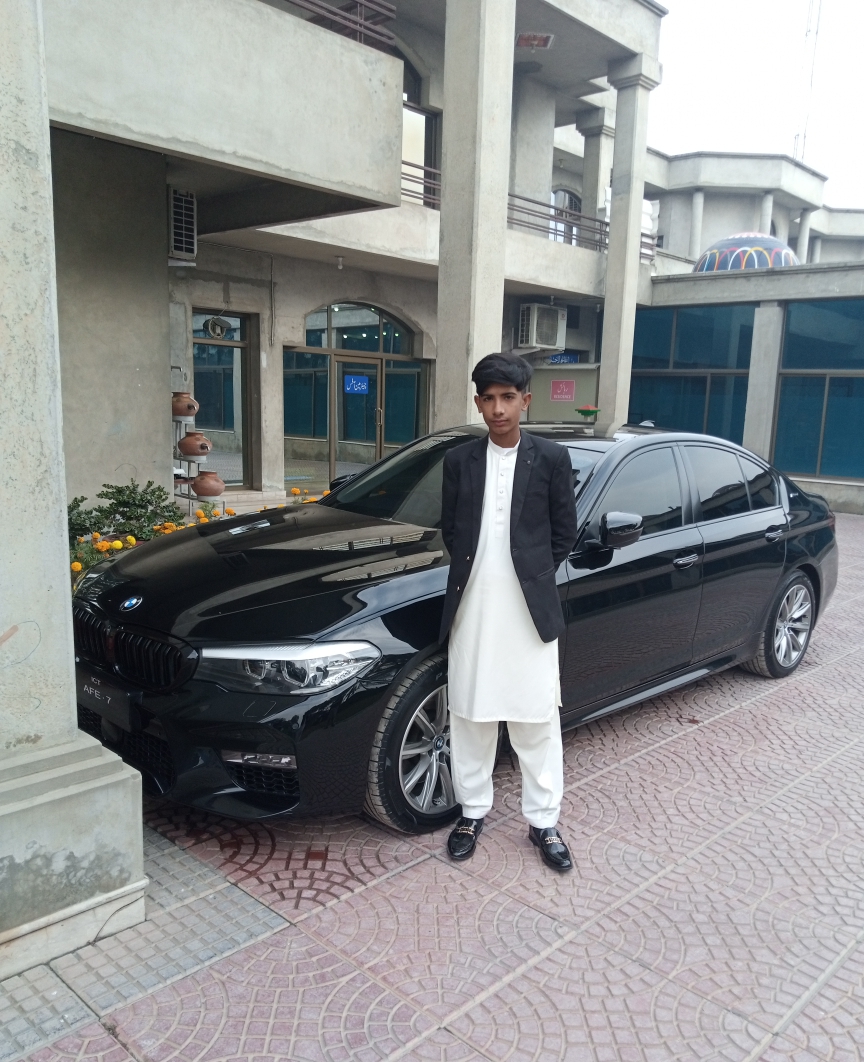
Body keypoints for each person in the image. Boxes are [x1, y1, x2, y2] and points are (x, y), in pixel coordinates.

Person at [439, 353, 579, 870]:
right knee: (470, 716)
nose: (498, 409)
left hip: (528, 612)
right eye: (489, 399)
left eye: (508, 398)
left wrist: (532, 574)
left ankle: (544, 821)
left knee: (536, 718)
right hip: (473, 607)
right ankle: (472, 812)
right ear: (478, 403)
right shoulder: (460, 461)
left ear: (526, 401)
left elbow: (564, 533)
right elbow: (451, 529)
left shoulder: (552, 458)